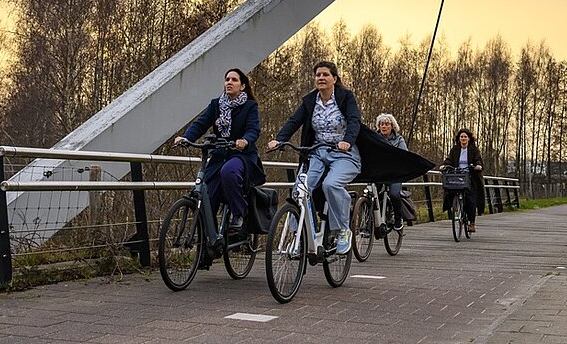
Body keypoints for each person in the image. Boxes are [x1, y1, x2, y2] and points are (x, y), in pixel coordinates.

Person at [268, 61, 361, 255]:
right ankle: (300, 235)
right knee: (301, 189)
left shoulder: (345, 97)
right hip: (317, 153)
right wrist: (279, 140)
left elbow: (354, 120)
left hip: (343, 153)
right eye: (318, 74)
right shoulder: (310, 100)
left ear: (334, 79)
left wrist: (347, 141)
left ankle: (343, 229)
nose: (321, 78)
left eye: (325, 74)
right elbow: (294, 121)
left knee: (331, 185)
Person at [175, 68, 265, 231]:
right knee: (207, 194)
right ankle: (208, 242)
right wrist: (186, 138)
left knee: (228, 172)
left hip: (241, 155)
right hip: (220, 155)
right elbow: (201, 124)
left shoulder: (250, 106)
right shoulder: (216, 104)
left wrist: (245, 140)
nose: (229, 82)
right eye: (227, 79)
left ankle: (238, 213)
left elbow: (253, 129)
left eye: (234, 80)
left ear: (242, 86)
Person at [439, 128, 485, 233]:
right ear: (459, 139)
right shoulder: (455, 149)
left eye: (465, 137)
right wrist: (444, 165)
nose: (463, 138)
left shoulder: (473, 149)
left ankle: (472, 222)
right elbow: (449, 159)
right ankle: (456, 206)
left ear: (469, 139)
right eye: (461, 137)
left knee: (471, 199)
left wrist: (478, 165)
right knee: (452, 191)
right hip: (458, 175)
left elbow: (478, 159)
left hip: (470, 176)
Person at [375, 113, 408, 230]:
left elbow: (404, 155)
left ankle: (398, 218)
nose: (384, 126)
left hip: (395, 174)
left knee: (394, 194)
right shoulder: (374, 138)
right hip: (379, 172)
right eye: (381, 124)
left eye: (387, 124)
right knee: (372, 193)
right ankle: (372, 221)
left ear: (392, 126)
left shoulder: (399, 139)